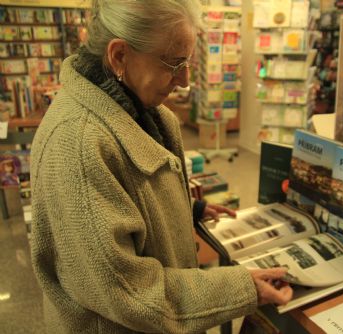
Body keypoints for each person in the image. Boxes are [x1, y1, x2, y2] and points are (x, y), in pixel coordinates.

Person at [29, 1, 293, 333]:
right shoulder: (78, 145)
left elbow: (132, 195)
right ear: (120, 56)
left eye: (188, 63)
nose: (185, 80)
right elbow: (128, 290)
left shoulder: (141, 109)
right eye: (174, 63)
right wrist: (243, 287)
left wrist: (190, 209)